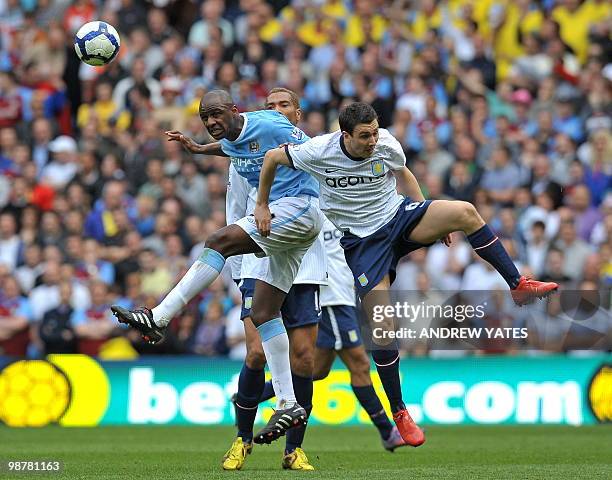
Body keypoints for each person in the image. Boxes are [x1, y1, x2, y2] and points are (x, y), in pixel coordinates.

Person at [255, 102, 559, 446]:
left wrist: (426, 212)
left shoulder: (386, 143)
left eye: (375, 131)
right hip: (363, 243)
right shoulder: (317, 151)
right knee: (383, 326)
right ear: (345, 135)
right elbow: (271, 159)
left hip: (399, 217)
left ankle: (517, 284)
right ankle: (399, 411)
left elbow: (404, 172)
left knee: (465, 212)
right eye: (365, 136)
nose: (373, 140)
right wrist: (262, 204)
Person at [110, 90, 326, 445]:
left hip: (299, 209)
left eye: (215, 115)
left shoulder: (271, 124)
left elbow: (291, 153)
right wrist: (197, 148)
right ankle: (288, 402)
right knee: (263, 312)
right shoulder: (231, 138)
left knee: (217, 242)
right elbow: (232, 148)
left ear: (234, 110)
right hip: (286, 225)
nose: (210, 122)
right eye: (204, 118)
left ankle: (159, 316)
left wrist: (260, 202)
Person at [257, 217, 409, 453]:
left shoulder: (344, 210)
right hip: (332, 298)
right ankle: (387, 432)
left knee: (316, 370)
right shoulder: (317, 211)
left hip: (343, 298)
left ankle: (250, 395)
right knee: (359, 364)